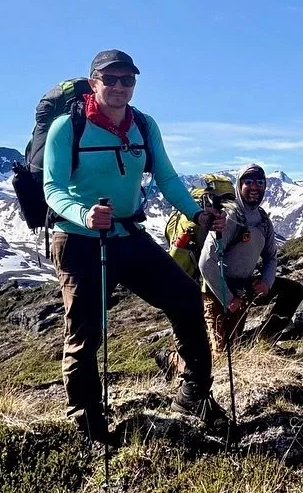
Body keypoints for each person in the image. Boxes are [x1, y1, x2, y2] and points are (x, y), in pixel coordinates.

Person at [43, 49, 231, 444]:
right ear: (92, 82)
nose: (118, 87)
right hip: (77, 240)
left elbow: (167, 177)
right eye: (109, 79)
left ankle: (193, 395)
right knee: (85, 333)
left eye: (127, 80)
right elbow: (52, 188)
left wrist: (197, 214)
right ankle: (91, 429)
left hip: (128, 235)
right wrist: (83, 214)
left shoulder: (143, 125)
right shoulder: (68, 127)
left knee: (184, 297)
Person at [157, 164, 303, 377]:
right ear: (239, 185)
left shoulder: (262, 220)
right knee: (223, 361)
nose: (255, 187)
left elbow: (271, 256)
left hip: (243, 289)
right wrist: (228, 298)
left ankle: (263, 343)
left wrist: (266, 281)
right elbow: (207, 262)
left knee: (293, 290)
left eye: (260, 182)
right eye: (249, 182)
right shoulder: (229, 218)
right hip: (217, 293)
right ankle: (173, 360)